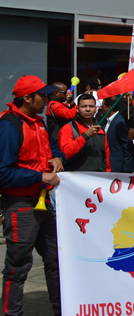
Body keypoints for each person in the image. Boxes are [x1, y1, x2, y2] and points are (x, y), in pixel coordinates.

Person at [0, 75, 62, 315]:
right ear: (27, 98)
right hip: (21, 206)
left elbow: (52, 148)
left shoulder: (39, 122)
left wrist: (57, 157)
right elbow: (3, 174)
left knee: (56, 259)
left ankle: (60, 308)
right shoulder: (8, 126)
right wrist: (39, 177)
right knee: (17, 267)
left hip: (43, 202)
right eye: (43, 95)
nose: (47, 99)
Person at [59, 93, 110, 172]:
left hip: (99, 178)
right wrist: (85, 136)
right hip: (77, 178)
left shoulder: (99, 129)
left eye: (91, 106)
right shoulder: (68, 128)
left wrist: (107, 173)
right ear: (77, 109)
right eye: (84, 106)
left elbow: (106, 157)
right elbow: (65, 154)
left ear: (96, 109)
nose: (88, 109)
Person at [102, 94, 134, 173]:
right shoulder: (105, 121)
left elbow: (127, 147)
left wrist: (127, 170)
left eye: (102, 106)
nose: (100, 108)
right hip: (106, 165)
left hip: (117, 168)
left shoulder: (120, 122)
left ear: (109, 107)